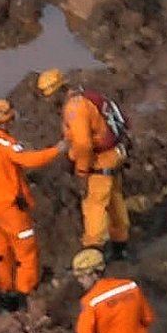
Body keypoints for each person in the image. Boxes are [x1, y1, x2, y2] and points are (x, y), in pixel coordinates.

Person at [0, 97, 61, 301]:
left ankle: (4, 290)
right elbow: (28, 160)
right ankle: (25, 292)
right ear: (4, 121)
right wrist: (57, 150)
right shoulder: (6, 144)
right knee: (26, 251)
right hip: (11, 208)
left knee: (1, 250)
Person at [44, 68, 130, 257]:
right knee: (115, 201)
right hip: (114, 156)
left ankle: (93, 251)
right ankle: (121, 246)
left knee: (94, 206)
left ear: (57, 91)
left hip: (99, 163)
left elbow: (83, 145)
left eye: (48, 96)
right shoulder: (85, 97)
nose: (48, 101)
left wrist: (82, 172)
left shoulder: (75, 109)